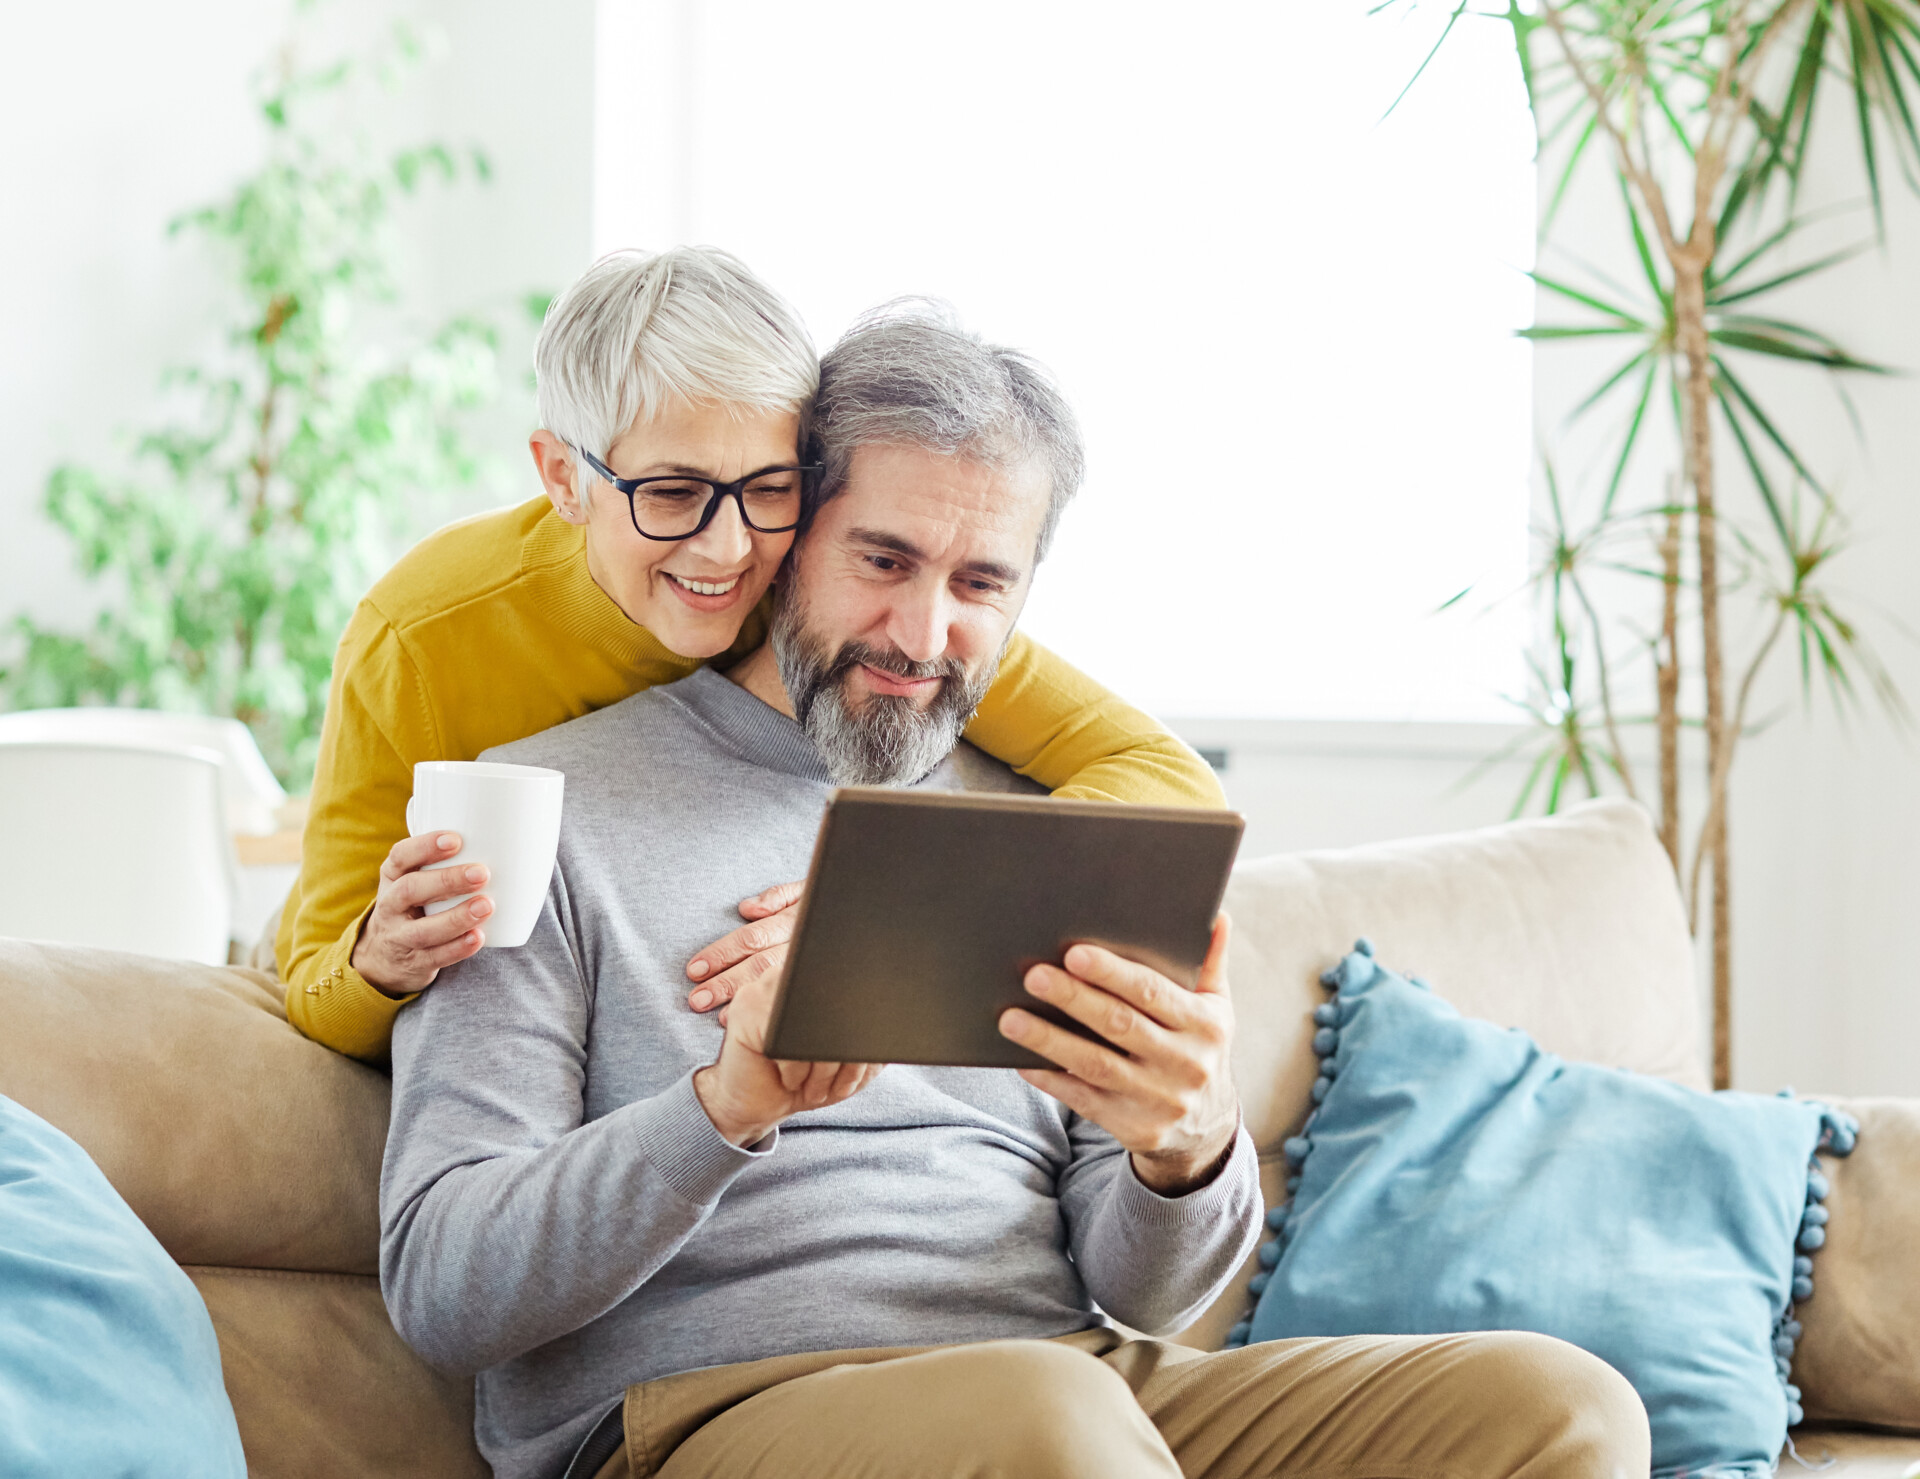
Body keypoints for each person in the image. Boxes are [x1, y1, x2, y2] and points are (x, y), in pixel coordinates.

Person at [379, 304, 1652, 1479]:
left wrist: (1183, 1147)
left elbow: (1147, 1294)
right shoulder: (543, 806)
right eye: (883, 559)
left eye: (981, 584)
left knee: (1564, 1409)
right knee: (1053, 1424)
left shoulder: (1058, 829)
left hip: (1083, 1393)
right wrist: (727, 1104)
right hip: (714, 1410)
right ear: (786, 534)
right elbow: (444, 1288)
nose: (925, 634)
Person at [274, 248, 1224, 1062]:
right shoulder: (423, 634)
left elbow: (1166, 782)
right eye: (673, 492)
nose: (728, 551)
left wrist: (891, 902)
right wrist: (377, 964)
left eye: (768, 488)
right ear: (565, 476)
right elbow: (313, 979)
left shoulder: (824, 592)